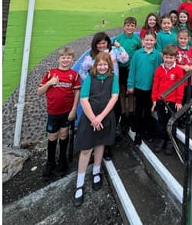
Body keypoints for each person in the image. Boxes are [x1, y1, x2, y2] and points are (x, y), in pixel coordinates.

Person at [72, 52, 119, 207]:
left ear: (109, 65)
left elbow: (114, 97)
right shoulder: (90, 79)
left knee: (100, 144)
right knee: (86, 149)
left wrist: (101, 117)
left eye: (105, 64)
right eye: (100, 64)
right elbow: (84, 99)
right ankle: (79, 183)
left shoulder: (113, 79)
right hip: (89, 118)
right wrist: (93, 118)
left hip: (105, 117)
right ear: (95, 66)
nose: (102, 67)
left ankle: (96, 172)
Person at [79, 32, 129, 160]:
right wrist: (91, 83)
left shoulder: (113, 52)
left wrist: (119, 47)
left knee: (114, 115)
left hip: (113, 91)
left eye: (104, 42)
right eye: (99, 43)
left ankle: (107, 145)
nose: (101, 45)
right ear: (95, 44)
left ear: (107, 42)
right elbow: (82, 71)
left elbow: (125, 59)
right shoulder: (90, 57)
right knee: (97, 118)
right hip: (98, 94)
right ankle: (97, 146)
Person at [37, 47, 81, 182]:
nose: (66, 60)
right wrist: (50, 83)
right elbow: (39, 92)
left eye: (68, 57)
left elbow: (77, 93)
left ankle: (63, 161)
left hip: (67, 112)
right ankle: (50, 163)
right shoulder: (50, 73)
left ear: (72, 59)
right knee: (52, 136)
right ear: (59, 59)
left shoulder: (74, 75)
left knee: (64, 135)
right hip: (53, 112)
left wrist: (74, 109)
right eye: (63, 57)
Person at [127, 31, 163, 146]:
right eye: (146, 40)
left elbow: (159, 72)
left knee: (148, 111)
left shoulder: (157, 55)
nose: (149, 42)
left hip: (151, 88)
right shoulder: (137, 54)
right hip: (139, 87)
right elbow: (132, 70)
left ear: (155, 41)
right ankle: (138, 132)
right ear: (143, 41)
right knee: (138, 110)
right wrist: (130, 85)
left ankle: (147, 131)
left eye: (151, 40)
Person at [151, 44, 185, 155]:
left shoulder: (178, 70)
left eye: (171, 58)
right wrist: (154, 99)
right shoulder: (159, 69)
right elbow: (155, 85)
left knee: (172, 123)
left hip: (173, 102)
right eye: (166, 57)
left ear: (175, 58)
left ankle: (171, 141)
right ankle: (161, 139)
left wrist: (179, 101)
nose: (168, 60)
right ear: (163, 57)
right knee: (161, 122)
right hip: (161, 101)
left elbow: (180, 87)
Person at [113, 17, 142, 134]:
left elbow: (139, 52)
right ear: (124, 26)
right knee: (122, 90)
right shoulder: (118, 39)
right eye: (128, 25)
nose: (130, 27)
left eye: (132, 25)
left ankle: (131, 113)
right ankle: (123, 114)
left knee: (131, 91)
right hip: (120, 69)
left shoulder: (137, 39)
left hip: (131, 69)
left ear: (135, 27)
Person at [176, 29, 192, 99]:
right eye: (181, 38)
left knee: (188, 97)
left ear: (188, 39)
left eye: (185, 38)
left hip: (189, 78)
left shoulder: (191, 49)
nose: (183, 40)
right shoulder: (175, 49)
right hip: (178, 78)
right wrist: (182, 67)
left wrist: (191, 67)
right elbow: (172, 63)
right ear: (177, 38)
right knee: (180, 98)